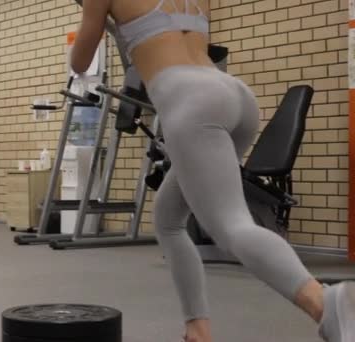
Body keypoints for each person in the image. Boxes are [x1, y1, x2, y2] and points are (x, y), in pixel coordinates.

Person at [70, 1, 355, 341]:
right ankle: (197, 329)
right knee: (168, 219)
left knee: (231, 225)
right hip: (233, 95)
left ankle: (324, 302)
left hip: (188, 99)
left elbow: (80, 62)